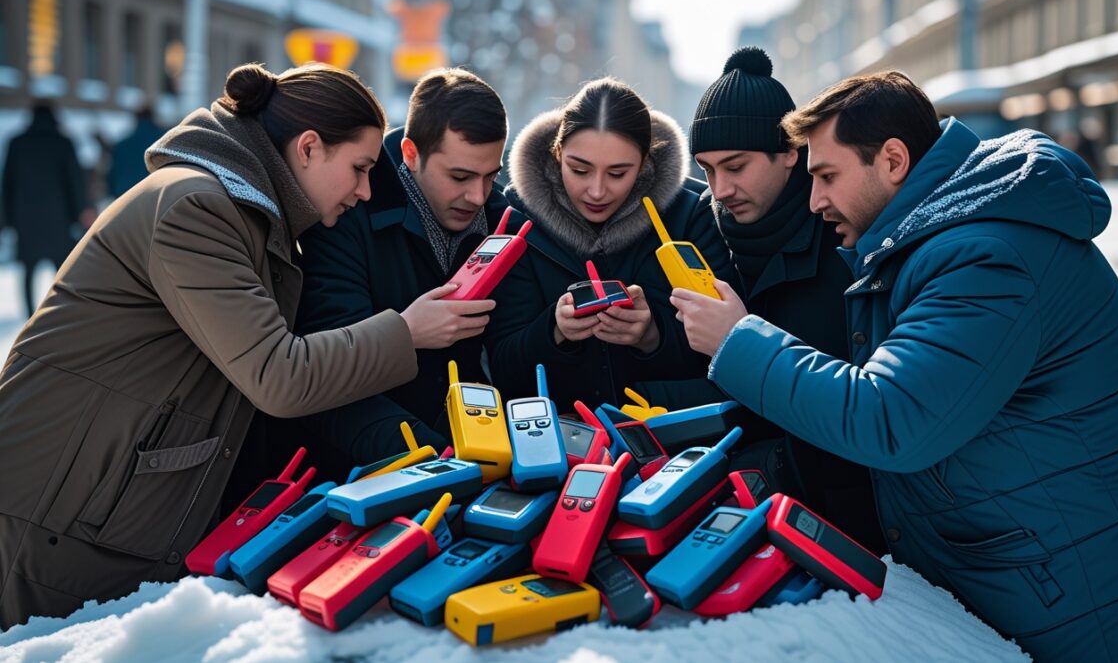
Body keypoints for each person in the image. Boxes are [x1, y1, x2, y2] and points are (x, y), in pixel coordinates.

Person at [671, 71, 1118, 660]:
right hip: (1063, 572)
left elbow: (891, 416)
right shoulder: (938, 237)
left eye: (826, 176)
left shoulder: (984, 257)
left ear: (894, 160)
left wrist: (738, 341)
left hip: (1107, 601)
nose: (815, 199)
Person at [0, 63, 422, 629]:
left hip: (92, 508)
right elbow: (279, 375)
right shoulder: (195, 208)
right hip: (55, 510)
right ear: (309, 147)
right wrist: (409, 331)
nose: (366, 191)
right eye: (360, 168)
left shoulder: (242, 213)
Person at [688, 47, 882, 554]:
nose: (719, 189)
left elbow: (867, 404)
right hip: (742, 510)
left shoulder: (845, 235)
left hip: (848, 527)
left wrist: (740, 338)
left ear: (790, 152)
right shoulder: (700, 232)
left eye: (735, 166)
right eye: (706, 169)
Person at [279, 68, 508, 474]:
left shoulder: (505, 220)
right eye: (459, 176)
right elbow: (330, 381)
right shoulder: (343, 218)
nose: (477, 196)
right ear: (410, 153)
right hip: (368, 476)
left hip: (487, 466)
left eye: (491, 176)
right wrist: (434, 461)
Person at [486, 78, 734, 411]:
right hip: (558, 447)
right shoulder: (515, 224)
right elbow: (501, 370)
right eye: (579, 170)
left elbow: (726, 358)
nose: (597, 191)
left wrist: (652, 335)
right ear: (557, 153)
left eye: (617, 173)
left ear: (645, 162)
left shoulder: (690, 216)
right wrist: (554, 330)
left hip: (674, 441)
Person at [1, 102, 91, 317]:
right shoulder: (63, 143)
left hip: (26, 219)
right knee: (61, 271)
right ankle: (58, 312)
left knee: (28, 270)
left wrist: (7, 220)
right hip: (57, 219)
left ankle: (30, 315)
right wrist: (80, 213)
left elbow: (7, 184)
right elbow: (75, 182)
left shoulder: (17, 143)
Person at [106, 105, 167, 200]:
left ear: (137, 119)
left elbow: (112, 177)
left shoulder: (122, 145)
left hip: (125, 197)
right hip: (156, 197)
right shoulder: (165, 143)